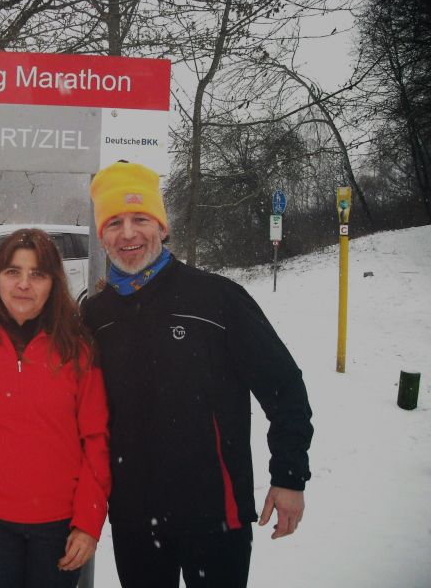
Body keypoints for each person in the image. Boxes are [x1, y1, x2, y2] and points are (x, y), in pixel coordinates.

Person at [80, 161, 314, 588]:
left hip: (215, 516)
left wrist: (289, 476)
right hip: (135, 521)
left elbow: (284, 388)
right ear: (101, 235)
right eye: (114, 223)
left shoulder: (216, 298)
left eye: (140, 219)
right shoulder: (95, 316)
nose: (128, 234)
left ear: (162, 226)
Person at [0, 228, 111, 588]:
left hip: (58, 526)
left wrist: (88, 522)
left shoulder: (78, 350)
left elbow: (96, 440)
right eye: (13, 271)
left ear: (53, 283)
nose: (23, 284)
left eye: (37, 274)